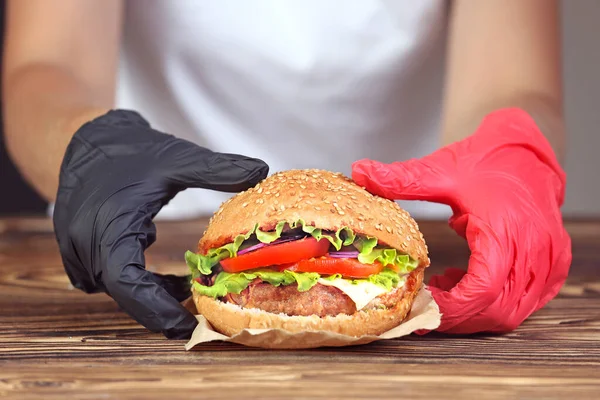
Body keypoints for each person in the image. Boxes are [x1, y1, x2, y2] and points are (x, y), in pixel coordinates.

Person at [2, 0, 571, 339]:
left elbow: (515, 83)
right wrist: (95, 149)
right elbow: (46, 65)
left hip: (418, 224)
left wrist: (511, 157)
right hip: (145, 224)